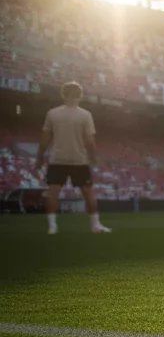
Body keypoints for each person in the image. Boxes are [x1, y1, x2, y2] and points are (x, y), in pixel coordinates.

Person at [35, 82, 110, 234]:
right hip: (79, 160)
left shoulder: (52, 113)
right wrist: (93, 157)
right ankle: (95, 225)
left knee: (53, 193)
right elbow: (89, 140)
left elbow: (45, 139)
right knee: (88, 193)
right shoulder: (85, 115)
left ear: (63, 95)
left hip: (58, 159)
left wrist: (39, 157)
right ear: (80, 96)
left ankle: (52, 227)